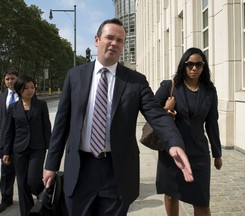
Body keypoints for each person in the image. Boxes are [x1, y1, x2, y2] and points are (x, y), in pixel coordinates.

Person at [42, 18, 193, 216]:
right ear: (97, 40)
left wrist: (173, 143)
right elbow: (61, 125)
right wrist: (51, 165)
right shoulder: (74, 76)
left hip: (117, 171)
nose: (114, 43)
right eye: (109, 37)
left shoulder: (136, 81)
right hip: (79, 169)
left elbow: (157, 115)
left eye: (120, 40)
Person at [155, 47, 223, 216]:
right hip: (172, 150)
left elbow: (212, 123)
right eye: (190, 64)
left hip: (198, 152)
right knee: (171, 195)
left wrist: (217, 153)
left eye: (199, 65)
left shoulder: (209, 90)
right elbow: (151, 112)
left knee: (201, 201)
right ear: (183, 66)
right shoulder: (170, 86)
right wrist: (165, 110)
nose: (194, 68)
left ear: (203, 67)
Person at [2, 75, 51, 216]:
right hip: (19, 150)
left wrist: (51, 149)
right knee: (22, 184)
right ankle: (28, 213)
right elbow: (8, 131)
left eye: (32, 87)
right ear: (19, 90)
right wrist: (6, 152)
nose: (30, 91)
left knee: (33, 181)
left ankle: (47, 197)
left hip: (38, 148)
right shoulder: (13, 108)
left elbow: (46, 128)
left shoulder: (41, 105)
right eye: (26, 88)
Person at [0, 69, 19, 214]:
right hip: (5, 141)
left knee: (25, 174)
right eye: (8, 79)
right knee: (6, 173)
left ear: (18, 79)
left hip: (21, 140)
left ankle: (27, 199)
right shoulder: (0, 97)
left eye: (13, 78)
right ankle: (6, 199)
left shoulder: (24, 93)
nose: (10, 81)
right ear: (4, 80)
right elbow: (0, 120)